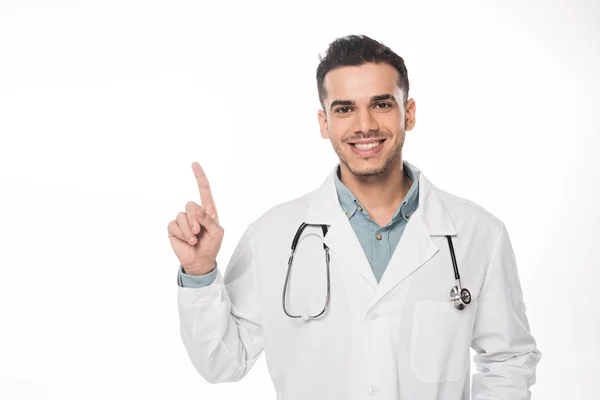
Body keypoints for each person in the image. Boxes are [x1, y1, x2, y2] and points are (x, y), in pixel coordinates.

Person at [167, 34, 542, 399]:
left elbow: (508, 359)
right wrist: (200, 273)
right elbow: (222, 363)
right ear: (323, 122)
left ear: (408, 114)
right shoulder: (272, 236)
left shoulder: (479, 234)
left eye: (381, 104)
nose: (364, 125)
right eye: (344, 108)